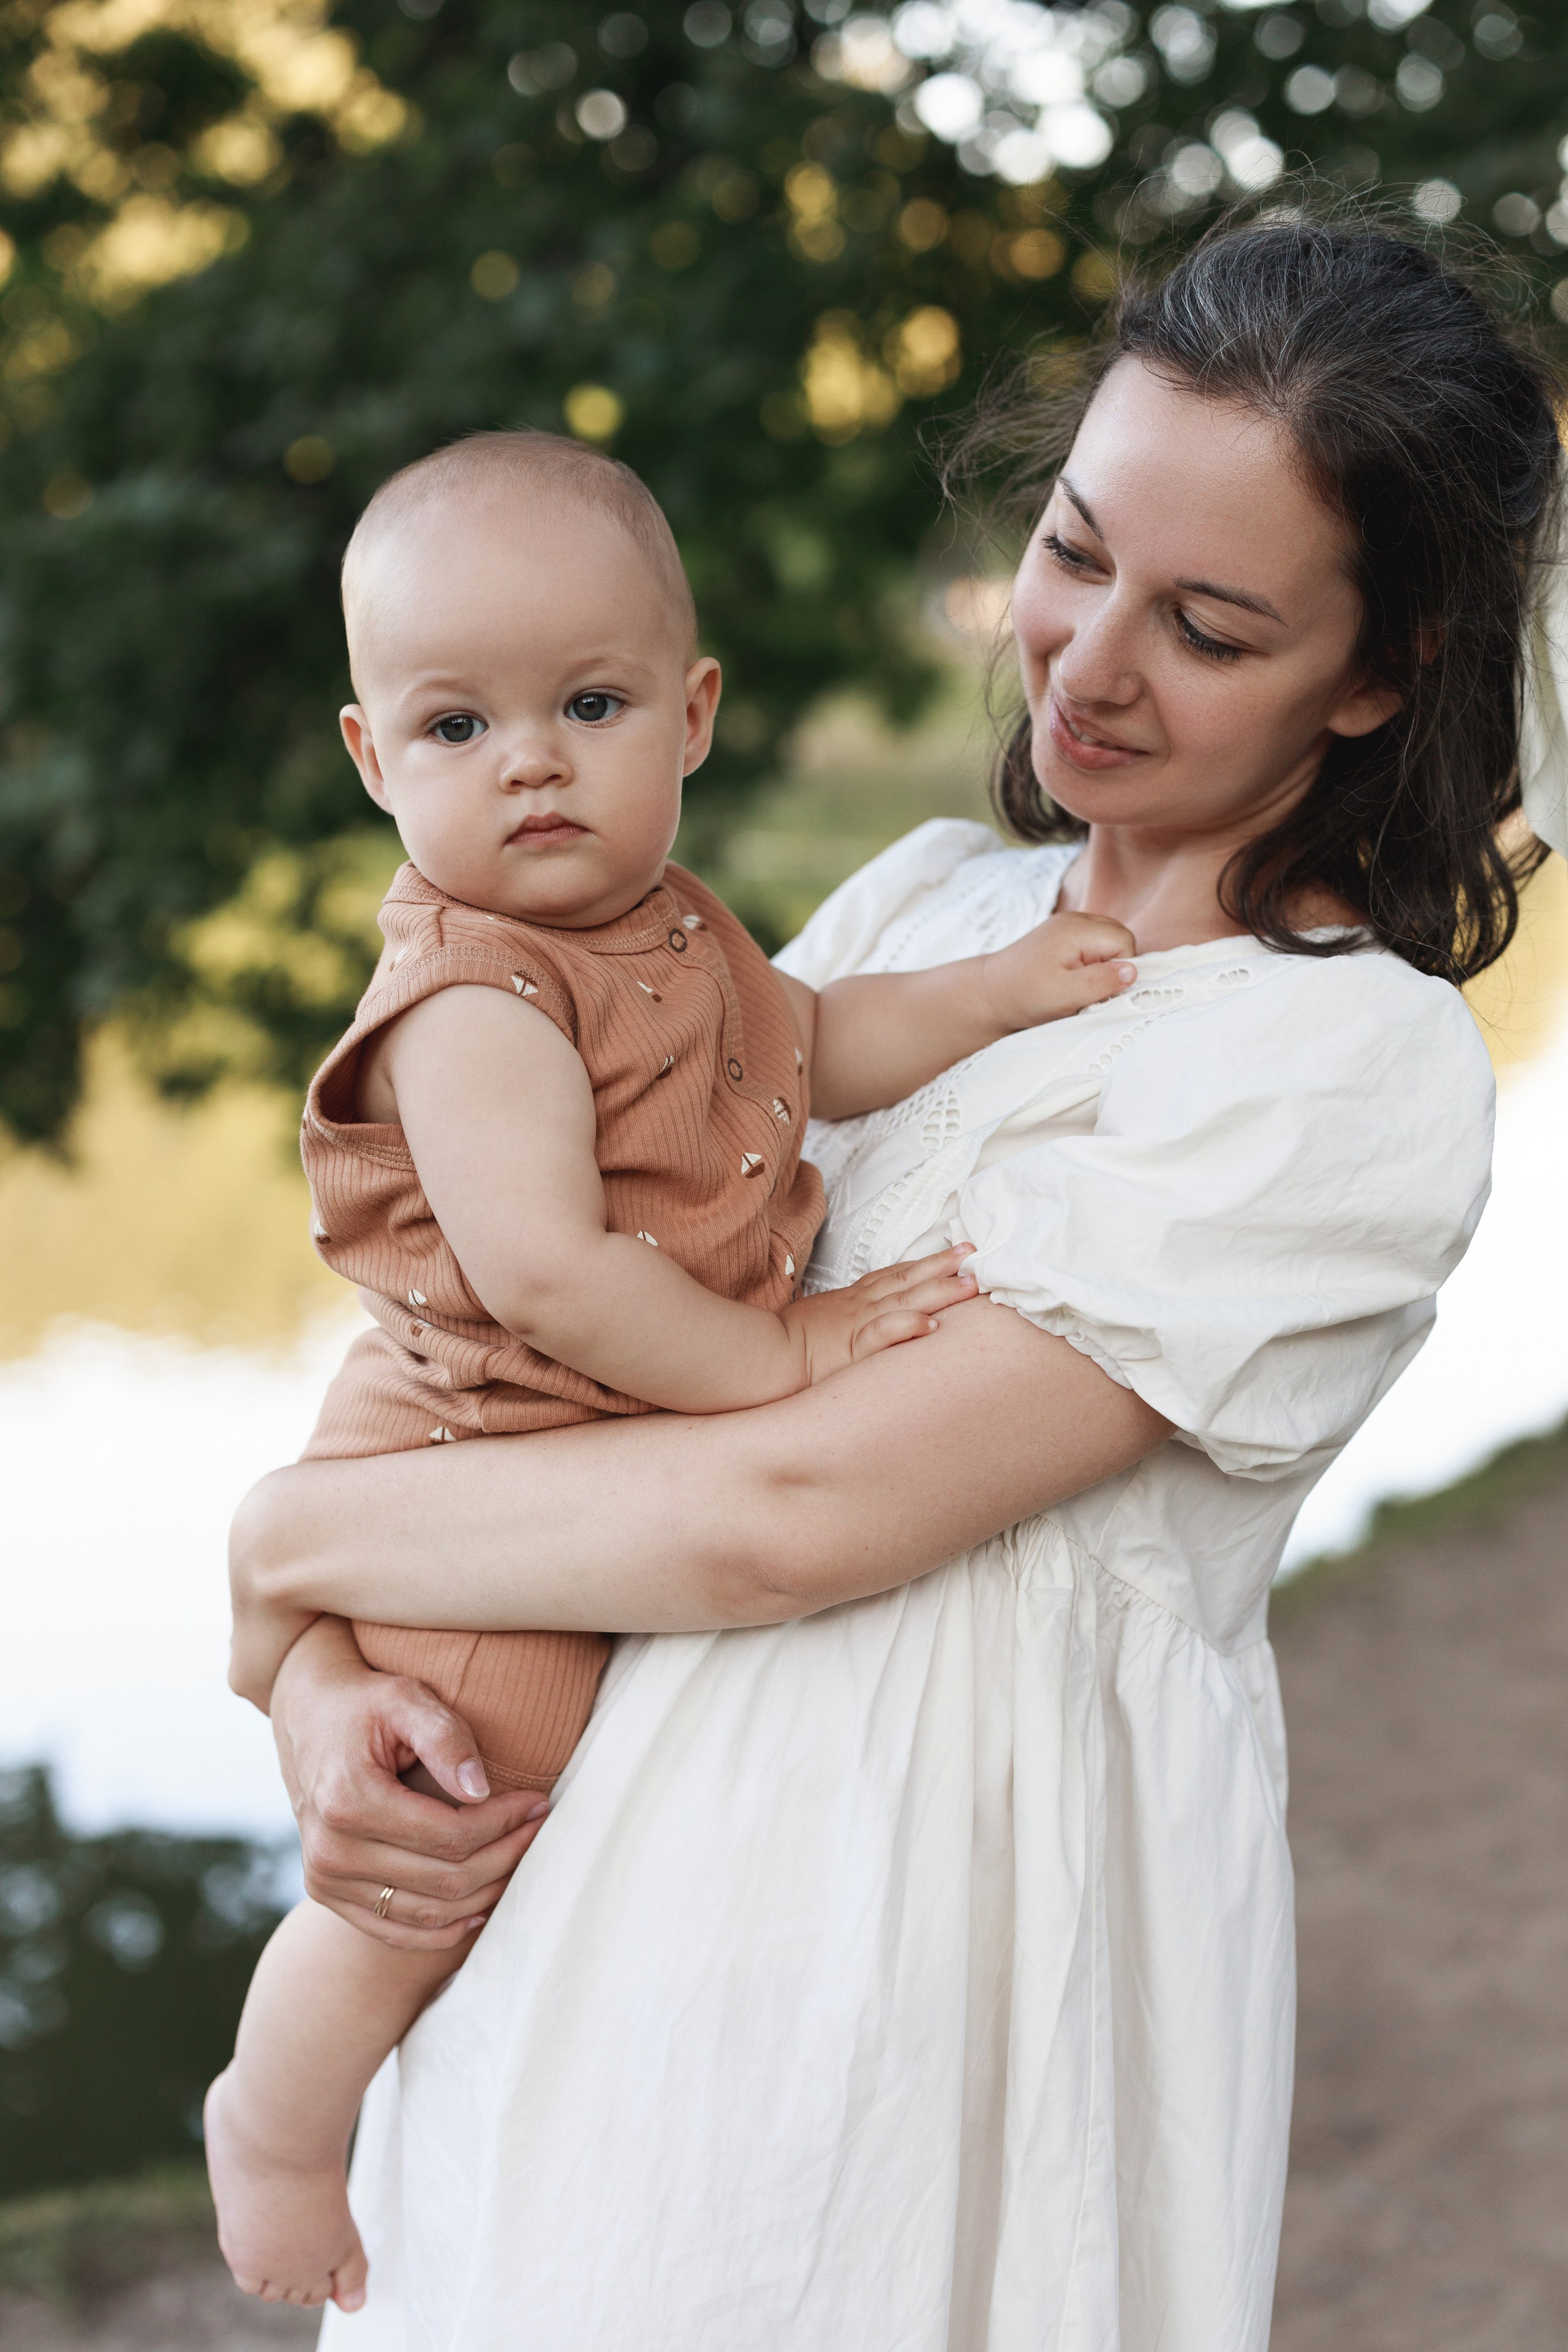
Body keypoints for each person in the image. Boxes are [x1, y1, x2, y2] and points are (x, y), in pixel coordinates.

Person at [227, 215, 1559, 2350]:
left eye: (1211, 625)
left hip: (919, 1976)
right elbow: (515, 1315)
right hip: (573, 1895)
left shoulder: (1343, 1062)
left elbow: (794, 1511)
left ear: (1381, 670)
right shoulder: (928, 896)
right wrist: (316, 1689)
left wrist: (287, 1537)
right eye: (1074, 548)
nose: (1091, 663)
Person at [205, 431, 1142, 2312]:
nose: (531, 760)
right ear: (374, 762)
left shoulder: (670, 926)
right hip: (501, 1442)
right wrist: (786, 1350)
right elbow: (552, 1278)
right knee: (463, 1803)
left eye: (591, 703)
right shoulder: (479, 998)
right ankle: (280, 2107)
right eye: (456, 729)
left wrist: (1003, 994)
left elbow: (814, 1042)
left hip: (584, 1429)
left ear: (692, 715)